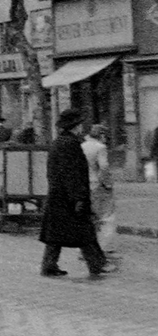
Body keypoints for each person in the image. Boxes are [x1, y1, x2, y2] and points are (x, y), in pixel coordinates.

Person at [40, 108, 112, 277]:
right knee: (84, 231)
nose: (81, 128)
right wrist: (78, 198)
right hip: (69, 198)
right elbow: (72, 173)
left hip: (58, 195)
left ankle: (49, 265)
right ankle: (97, 264)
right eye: (80, 124)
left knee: (56, 235)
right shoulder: (70, 144)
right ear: (75, 126)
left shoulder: (58, 142)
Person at [82, 123, 117, 256]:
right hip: (98, 185)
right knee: (106, 216)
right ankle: (106, 246)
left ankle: (88, 246)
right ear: (101, 135)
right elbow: (103, 167)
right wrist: (107, 184)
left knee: (90, 217)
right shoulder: (100, 147)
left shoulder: (82, 146)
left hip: (86, 186)